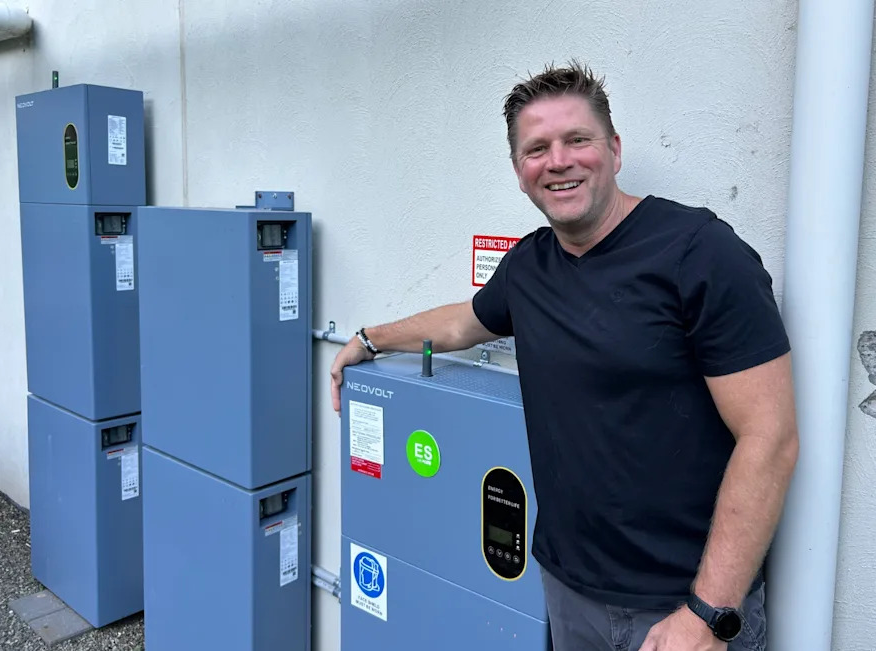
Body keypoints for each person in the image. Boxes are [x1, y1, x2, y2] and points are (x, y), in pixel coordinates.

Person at [330, 61, 798, 651]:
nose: (558, 160)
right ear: (520, 172)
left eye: (578, 139)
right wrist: (369, 339)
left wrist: (708, 614)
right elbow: (461, 323)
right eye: (537, 148)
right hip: (566, 590)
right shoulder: (530, 265)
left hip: (677, 608)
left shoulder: (701, 254)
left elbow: (770, 437)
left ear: (615, 149)